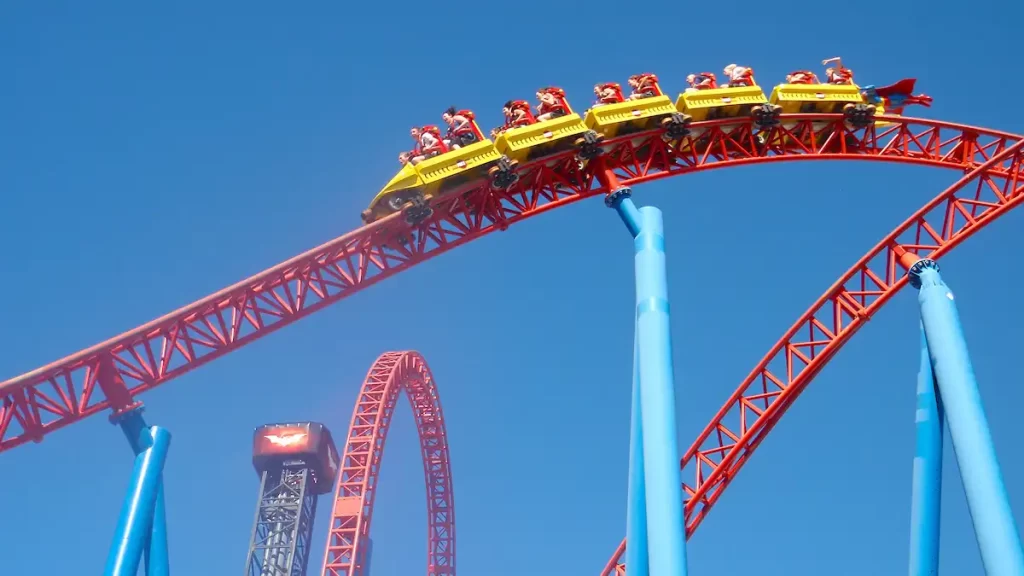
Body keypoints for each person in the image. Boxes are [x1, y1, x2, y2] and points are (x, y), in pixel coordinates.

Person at [860, 79, 934, 115]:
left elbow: (908, 101)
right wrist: (919, 102)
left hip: (885, 102)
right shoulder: (871, 99)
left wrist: (919, 101)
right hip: (884, 102)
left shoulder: (903, 99)